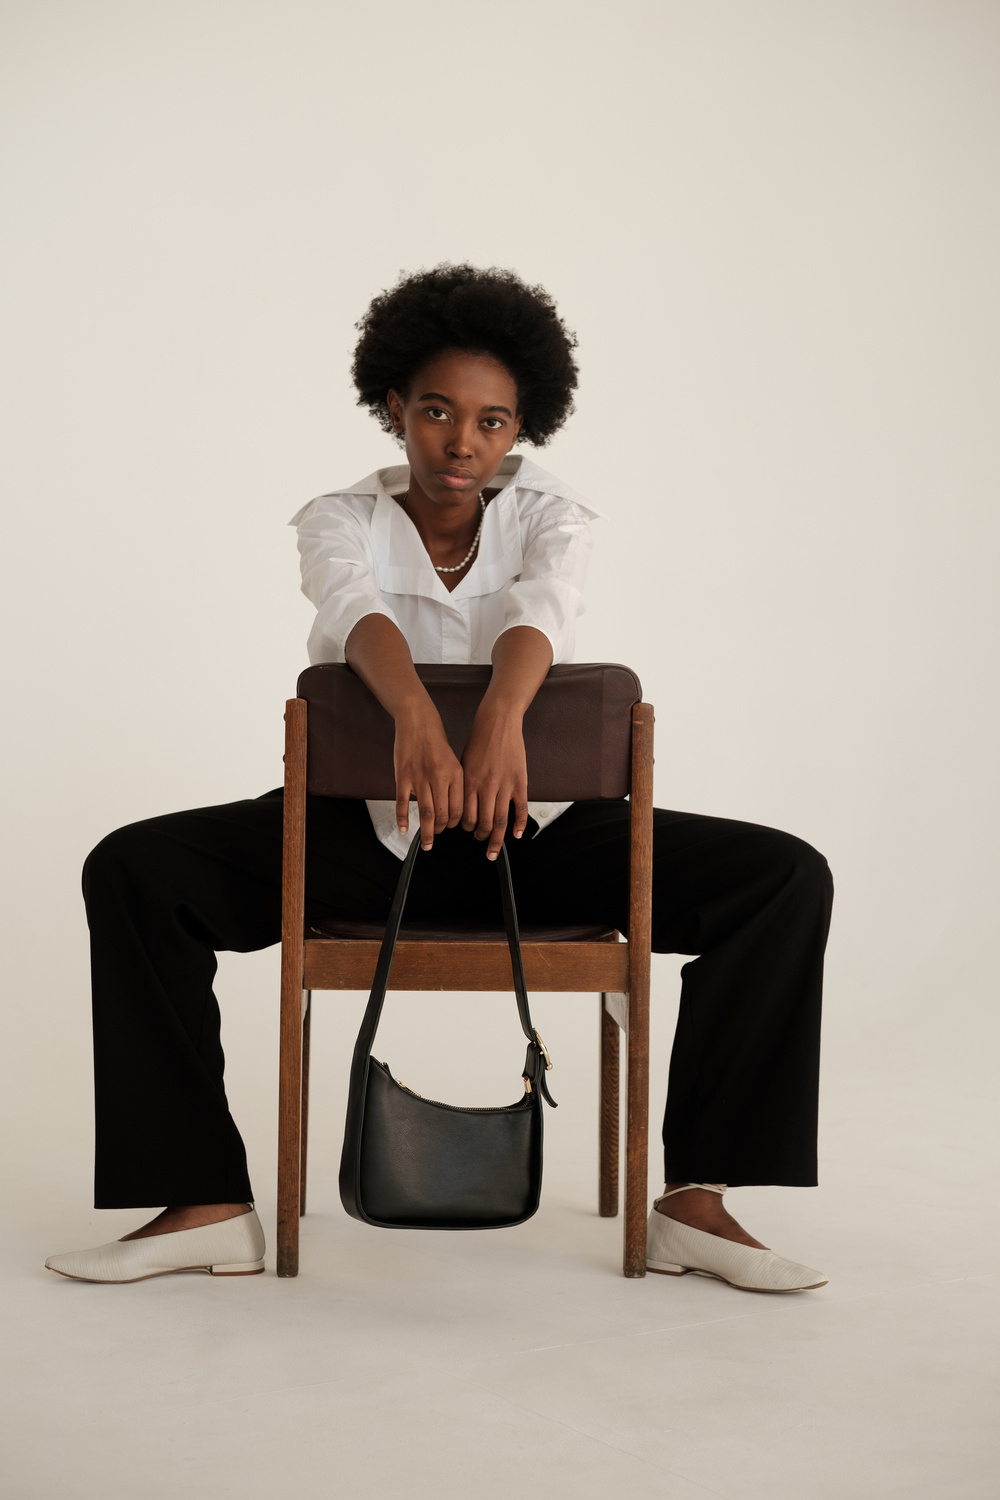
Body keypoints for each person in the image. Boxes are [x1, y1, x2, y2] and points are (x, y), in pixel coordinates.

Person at [46, 265, 833, 1291]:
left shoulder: (554, 512)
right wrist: (413, 716)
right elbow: (348, 607)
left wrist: (502, 718)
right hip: (366, 845)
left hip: (538, 843)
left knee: (783, 876)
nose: (463, 443)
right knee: (135, 868)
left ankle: (697, 1202)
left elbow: (543, 607)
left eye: (493, 421)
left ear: (520, 428)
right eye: (436, 412)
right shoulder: (337, 516)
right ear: (393, 409)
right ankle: (204, 1201)